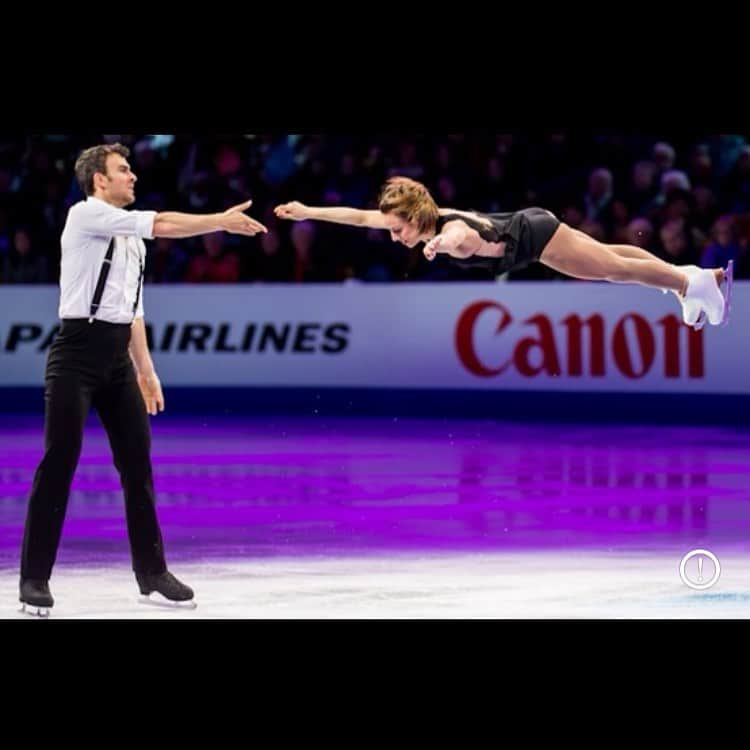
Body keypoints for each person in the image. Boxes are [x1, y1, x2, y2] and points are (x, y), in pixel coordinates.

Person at [19, 143, 267, 616]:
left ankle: (151, 573)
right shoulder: (86, 215)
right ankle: (33, 578)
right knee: (60, 461)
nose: (132, 176)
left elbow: (132, 309)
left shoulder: (129, 239)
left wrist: (146, 370)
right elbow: (164, 223)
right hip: (75, 354)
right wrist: (219, 220)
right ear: (99, 181)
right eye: (123, 170)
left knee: (138, 464)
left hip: (116, 362)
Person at [275, 176, 732, 329]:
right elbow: (359, 217)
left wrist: (436, 245)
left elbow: (457, 241)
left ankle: (693, 285)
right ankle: (690, 276)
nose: (393, 236)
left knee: (612, 269)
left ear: (417, 218)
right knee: (612, 256)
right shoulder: (427, 216)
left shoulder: (448, 229)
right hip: (532, 228)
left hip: (534, 236)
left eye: (399, 230)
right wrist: (308, 211)